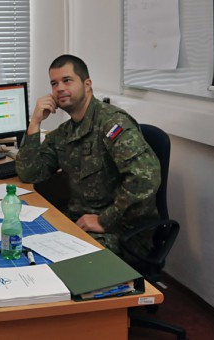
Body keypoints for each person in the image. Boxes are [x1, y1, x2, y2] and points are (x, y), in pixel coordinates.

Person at [15, 54, 161, 256]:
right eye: (54, 83)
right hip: (82, 222)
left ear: (87, 84)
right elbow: (30, 173)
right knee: (22, 242)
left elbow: (145, 179)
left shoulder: (112, 125)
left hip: (122, 230)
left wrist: (104, 220)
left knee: (58, 260)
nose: (59, 89)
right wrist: (35, 122)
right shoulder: (66, 132)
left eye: (67, 80)